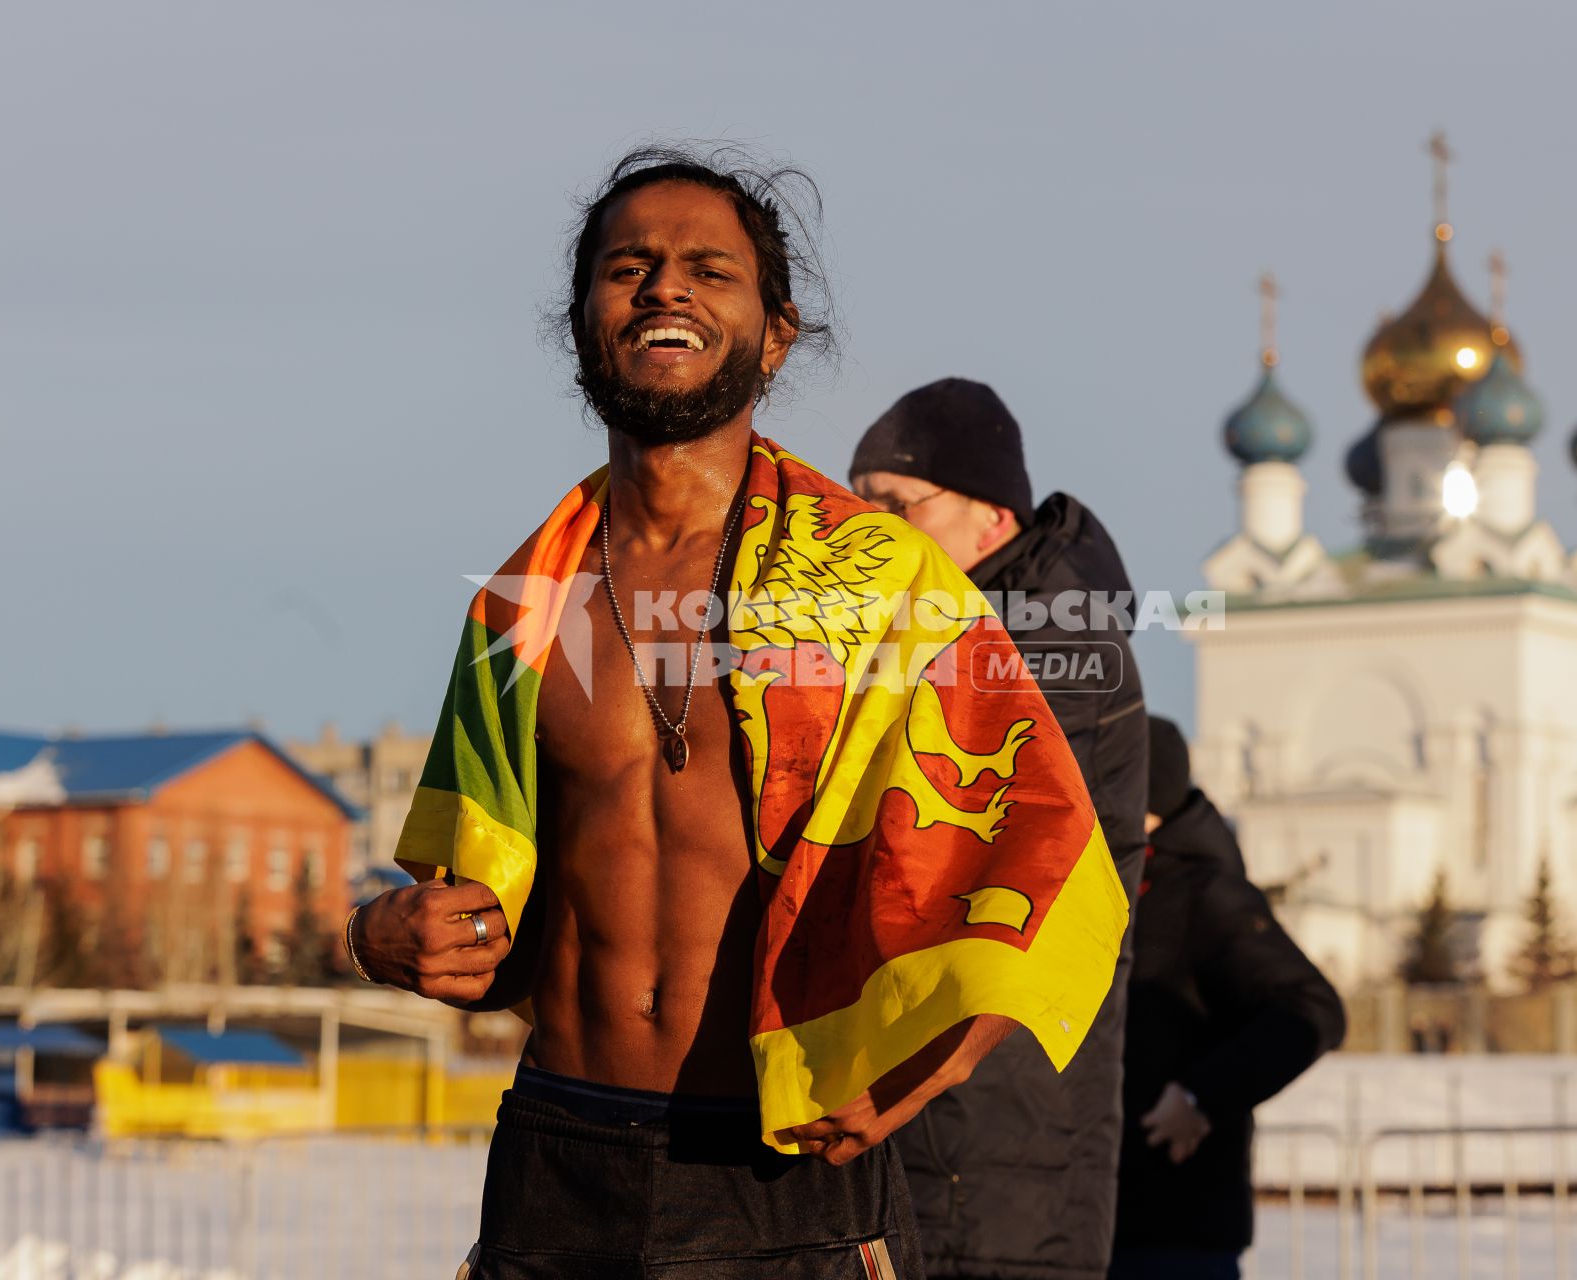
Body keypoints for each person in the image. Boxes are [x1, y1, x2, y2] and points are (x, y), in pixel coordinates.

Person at [347, 146, 1130, 1280]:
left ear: (775, 333)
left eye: (709, 268)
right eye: (630, 266)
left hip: (782, 1175)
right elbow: (478, 926)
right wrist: (378, 938)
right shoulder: (521, 607)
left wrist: (941, 1060)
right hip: (558, 1163)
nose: (665, 286)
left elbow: (1053, 856)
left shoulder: (882, 583)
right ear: (581, 322)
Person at [852, 378, 1149, 1280]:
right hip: (952, 1106)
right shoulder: (964, 625)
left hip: (999, 1115)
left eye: (897, 506)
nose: (872, 534)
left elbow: (963, 846)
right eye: (859, 506)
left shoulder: (1050, 636)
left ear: (991, 517)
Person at [1113, 717, 1347, 1280]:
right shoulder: (1113, 884)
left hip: (1173, 1231)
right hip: (1096, 1219)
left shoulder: (1204, 892)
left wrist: (1199, 1098)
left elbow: (1312, 1009)